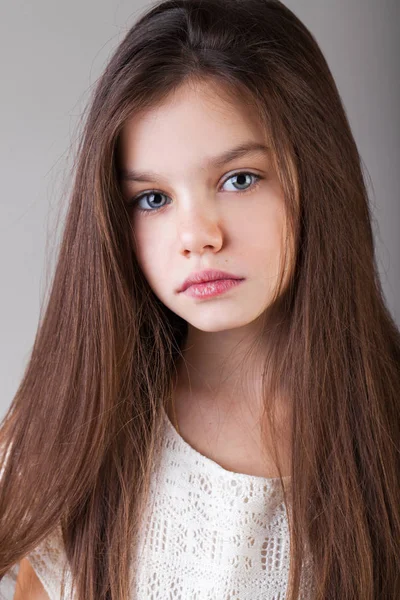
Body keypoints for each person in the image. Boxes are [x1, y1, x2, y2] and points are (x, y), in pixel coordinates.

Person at [1, 0, 399, 598]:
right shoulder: (71, 442)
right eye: (153, 199)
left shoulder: (383, 434)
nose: (198, 237)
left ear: (316, 174)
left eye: (239, 179)